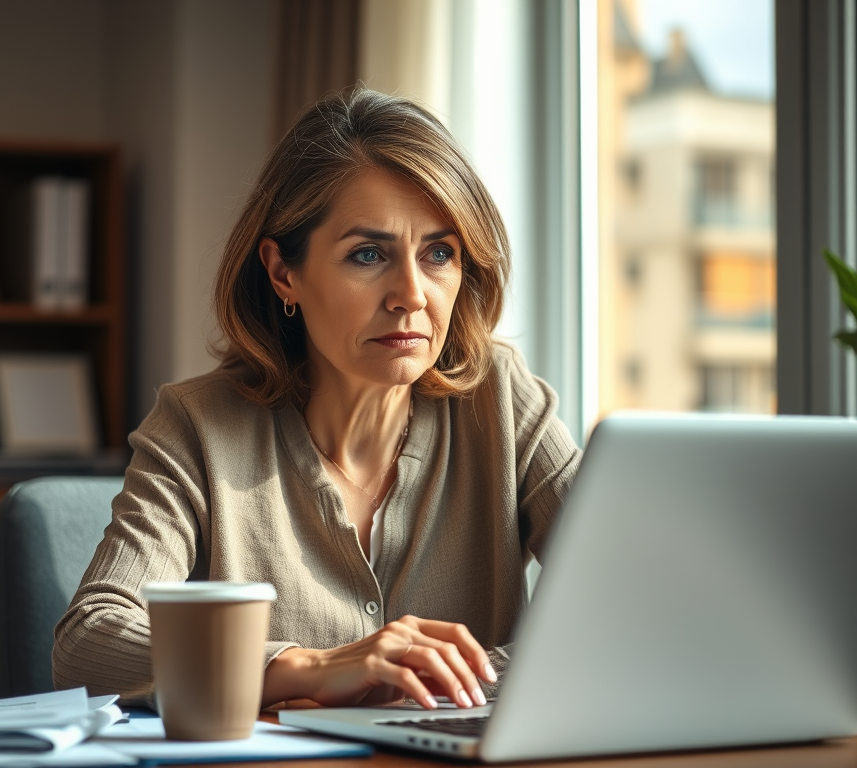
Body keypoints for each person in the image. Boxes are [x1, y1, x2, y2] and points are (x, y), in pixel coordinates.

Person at [53, 87, 581, 711]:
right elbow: (89, 641)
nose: (412, 294)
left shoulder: (502, 399)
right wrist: (307, 668)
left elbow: (633, 599)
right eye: (368, 255)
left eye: (439, 253)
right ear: (284, 273)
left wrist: (446, 680)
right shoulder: (198, 427)